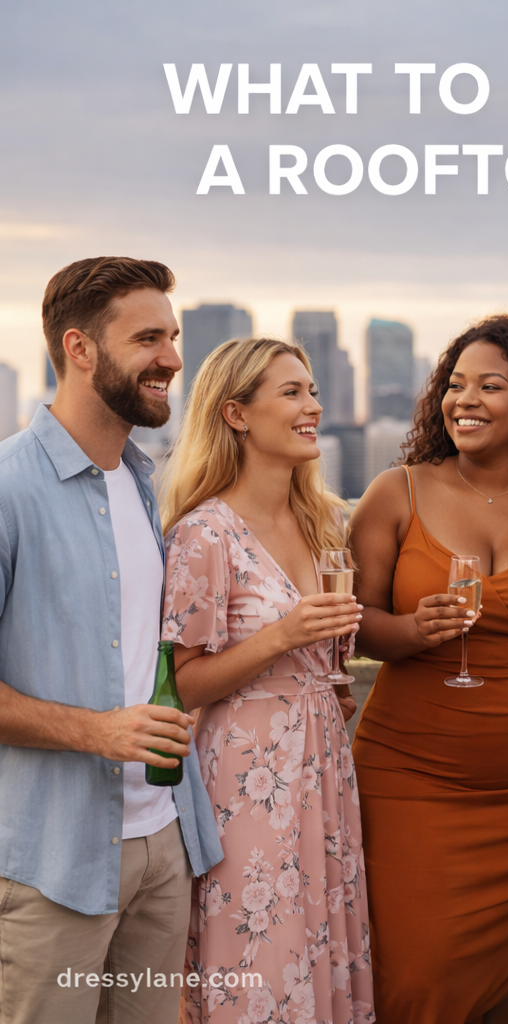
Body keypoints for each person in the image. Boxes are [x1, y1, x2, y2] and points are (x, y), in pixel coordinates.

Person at [349, 314, 508, 1024]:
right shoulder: (395, 493)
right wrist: (410, 630)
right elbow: (354, 622)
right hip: (409, 778)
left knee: (505, 996)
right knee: (412, 982)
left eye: (490, 386)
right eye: (455, 384)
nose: (465, 399)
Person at [0, 257, 223, 1024]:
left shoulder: (139, 479)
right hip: (53, 865)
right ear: (80, 348)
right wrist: (97, 731)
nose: (172, 358)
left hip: (164, 841)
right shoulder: (8, 489)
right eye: (148, 339)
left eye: (174, 337)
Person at [159, 338, 373, 1024]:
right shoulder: (204, 535)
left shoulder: (323, 523)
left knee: (321, 946)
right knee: (262, 961)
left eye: (313, 391)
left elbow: (324, 666)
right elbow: (184, 685)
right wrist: (282, 636)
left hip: (324, 768)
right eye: (291, 393)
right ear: (237, 414)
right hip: (246, 781)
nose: (313, 406)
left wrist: (331, 686)